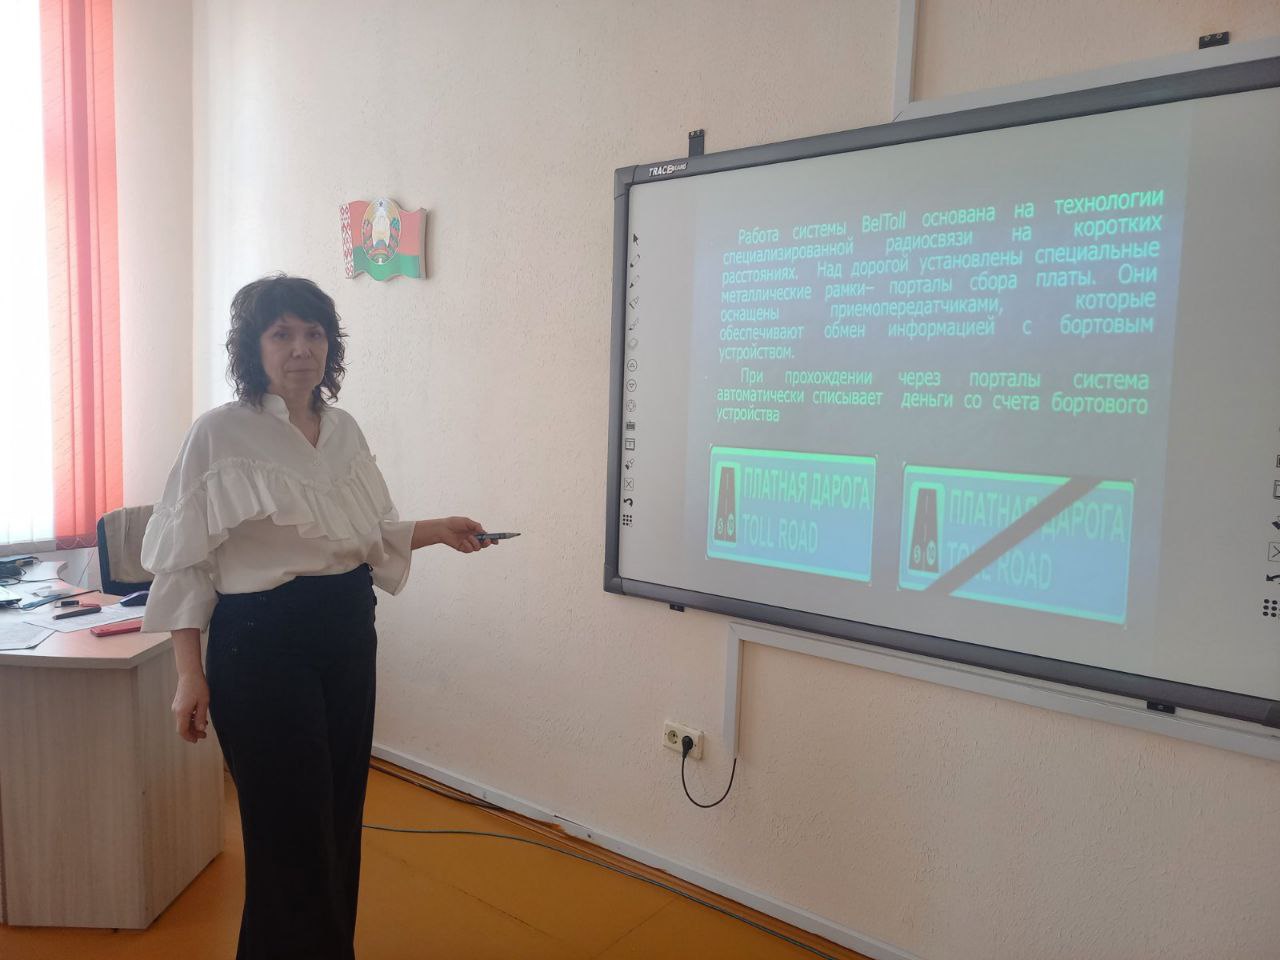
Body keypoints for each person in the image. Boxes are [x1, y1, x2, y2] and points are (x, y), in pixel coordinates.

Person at [140, 274, 492, 959]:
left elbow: (363, 535)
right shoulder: (219, 434)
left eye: (314, 333)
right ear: (252, 346)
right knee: (287, 834)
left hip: (347, 634)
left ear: (331, 346)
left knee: (337, 818)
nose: (301, 348)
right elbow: (182, 564)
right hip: (260, 645)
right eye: (282, 334)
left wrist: (437, 530)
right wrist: (188, 673)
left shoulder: (343, 431)